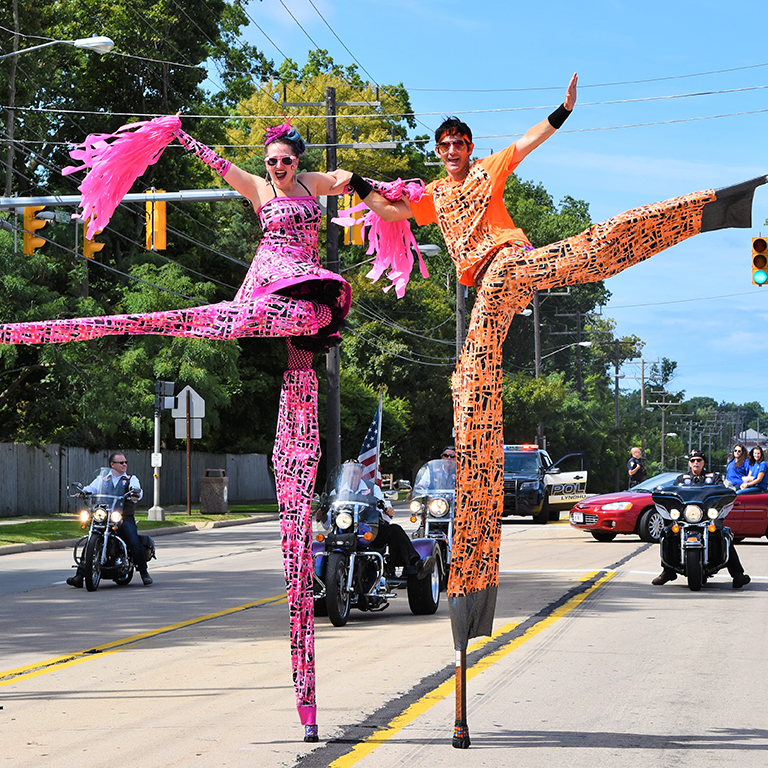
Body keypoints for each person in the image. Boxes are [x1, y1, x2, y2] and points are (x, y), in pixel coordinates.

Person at [334, 72, 765, 654]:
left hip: (511, 263)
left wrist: (561, 112)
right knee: (470, 379)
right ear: (439, 153)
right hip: (486, 286)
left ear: (469, 146)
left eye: (461, 142)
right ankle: (473, 569)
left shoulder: (488, 171)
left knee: (589, 258)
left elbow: (527, 141)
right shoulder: (433, 195)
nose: (455, 151)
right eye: (446, 146)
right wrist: (349, 180)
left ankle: (705, 211)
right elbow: (390, 207)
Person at [2, 118, 351, 743]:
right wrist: (176, 135)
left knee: (298, 445)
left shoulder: (314, 187)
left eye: (284, 159)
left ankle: (307, 693)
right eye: (271, 160)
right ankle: (30, 331)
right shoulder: (256, 189)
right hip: (267, 290)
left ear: (297, 160)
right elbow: (217, 165)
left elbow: (355, 184)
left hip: (306, 303)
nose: (277, 167)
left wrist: (394, 199)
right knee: (182, 321)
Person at [652, 450, 750, 588]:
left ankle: (737, 575)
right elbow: (672, 493)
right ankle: (668, 571)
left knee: (724, 535)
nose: (695, 463)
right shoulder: (681, 479)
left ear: (703, 462)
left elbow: (722, 491)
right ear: (689, 463)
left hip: (708, 517)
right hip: (685, 517)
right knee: (667, 534)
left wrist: (728, 492)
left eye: (698, 460)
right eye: (692, 461)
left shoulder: (713, 478)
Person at [329, 460, 435, 579]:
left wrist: (387, 509)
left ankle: (415, 563)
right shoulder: (336, 492)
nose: (352, 476)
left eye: (355, 472)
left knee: (395, 530)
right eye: (349, 473)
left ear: (361, 473)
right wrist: (321, 515)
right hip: (345, 531)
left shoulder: (372, 488)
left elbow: (384, 509)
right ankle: (320, 575)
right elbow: (327, 521)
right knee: (326, 541)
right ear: (343, 474)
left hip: (370, 529)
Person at [67, 452, 152, 587]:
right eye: (121, 462)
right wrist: (83, 492)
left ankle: (144, 572)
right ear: (112, 465)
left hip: (123, 517)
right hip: (104, 516)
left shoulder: (131, 479)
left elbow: (138, 491)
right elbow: (91, 488)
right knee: (90, 540)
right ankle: (79, 575)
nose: (125, 465)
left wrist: (136, 493)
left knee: (133, 541)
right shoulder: (103, 479)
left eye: (125, 462)